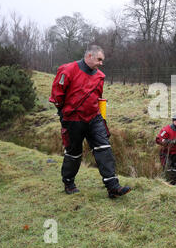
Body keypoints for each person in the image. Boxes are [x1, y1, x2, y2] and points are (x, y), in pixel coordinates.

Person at [49, 45, 131, 198]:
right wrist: (63, 113)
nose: (101, 63)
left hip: (94, 118)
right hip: (72, 119)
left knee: (104, 148)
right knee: (74, 153)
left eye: (102, 60)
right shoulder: (67, 70)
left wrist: (101, 117)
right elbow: (57, 94)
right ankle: (68, 182)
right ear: (89, 56)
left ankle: (113, 186)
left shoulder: (100, 76)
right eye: (99, 59)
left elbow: (98, 97)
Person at [155, 114, 176, 185]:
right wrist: (169, 141)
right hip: (165, 153)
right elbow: (158, 139)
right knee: (167, 170)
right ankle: (166, 184)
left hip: (174, 154)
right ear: (174, 121)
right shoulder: (166, 130)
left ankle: (174, 185)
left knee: (175, 170)